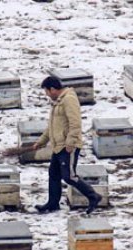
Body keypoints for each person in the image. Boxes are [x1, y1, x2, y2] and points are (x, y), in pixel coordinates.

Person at [33, 76, 102, 214]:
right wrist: (41, 142)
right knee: (53, 174)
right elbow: (52, 127)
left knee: (69, 176)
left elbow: (75, 123)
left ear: (53, 89)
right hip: (58, 146)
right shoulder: (58, 102)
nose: (46, 95)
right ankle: (53, 204)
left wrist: (70, 143)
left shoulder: (69, 99)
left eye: (46, 92)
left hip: (68, 146)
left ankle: (94, 196)